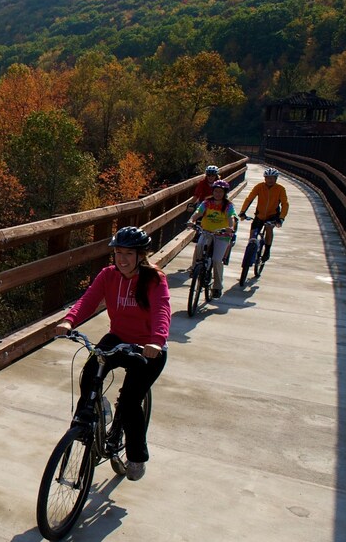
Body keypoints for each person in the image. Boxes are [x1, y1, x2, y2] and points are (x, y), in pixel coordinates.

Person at [52, 226, 171, 481]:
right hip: (118, 338)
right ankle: (88, 418)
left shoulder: (154, 279)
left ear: (141, 255)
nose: (122, 259)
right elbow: (88, 300)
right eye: (118, 253)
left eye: (128, 253)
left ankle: (136, 456)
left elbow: (162, 310)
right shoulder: (108, 275)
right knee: (89, 374)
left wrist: (157, 341)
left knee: (129, 403)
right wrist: (69, 320)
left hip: (148, 348)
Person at [187, 180, 238, 298]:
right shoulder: (207, 202)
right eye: (216, 191)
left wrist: (230, 228)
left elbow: (231, 217)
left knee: (216, 260)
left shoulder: (228, 205)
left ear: (224, 193)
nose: (218, 194)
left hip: (222, 235)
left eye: (220, 192)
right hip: (207, 232)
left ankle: (217, 287)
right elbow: (198, 212)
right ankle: (195, 268)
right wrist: (191, 220)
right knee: (199, 246)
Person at [239, 167, 289, 262]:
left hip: (272, 215)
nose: (270, 180)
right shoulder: (259, 187)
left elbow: (285, 204)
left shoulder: (280, 189)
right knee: (252, 236)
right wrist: (243, 211)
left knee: (269, 228)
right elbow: (249, 199)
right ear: (264, 178)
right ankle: (250, 255)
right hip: (260, 215)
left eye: (272, 178)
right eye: (268, 178)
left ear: (276, 179)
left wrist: (281, 218)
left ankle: (267, 250)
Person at [186, 165, 220, 272]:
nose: (210, 177)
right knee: (199, 241)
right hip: (203, 207)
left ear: (216, 175)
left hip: (214, 209)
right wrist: (190, 204)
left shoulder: (220, 184)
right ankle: (194, 265)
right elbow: (196, 195)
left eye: (212, 175)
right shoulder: (202, 183)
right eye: (208, 175)